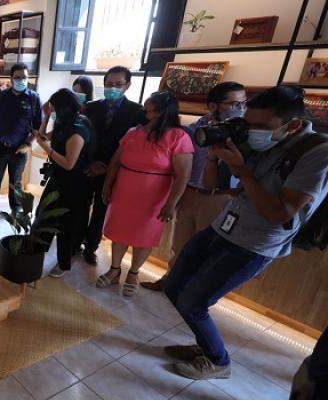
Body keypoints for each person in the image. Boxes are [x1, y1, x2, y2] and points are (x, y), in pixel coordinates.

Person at [163, 85, 328, 380]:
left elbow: (280, 213)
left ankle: (218, 361)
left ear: (292, 125)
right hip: (223, 225)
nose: (252, 131)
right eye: (248, 123)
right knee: (174, 285)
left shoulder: (317, 153)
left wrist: (242, 170)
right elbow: (213, 186)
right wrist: (214, 156)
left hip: (254, 244)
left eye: (262, 126)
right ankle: (205, 344)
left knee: (194, 302)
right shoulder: (257, 138)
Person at [142, 82, 246, 291]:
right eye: (234, 104)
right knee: (180, 244)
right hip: (190, 192)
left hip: (220, 197)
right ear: (214, 106)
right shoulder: (191, 131)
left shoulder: (244, 133)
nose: (241, 108)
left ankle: (191, 292)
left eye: (243, 103)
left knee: (208, 248)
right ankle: (170, 281)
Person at [97, 91, 193, 297]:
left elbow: (183, 175)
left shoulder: (179, 136)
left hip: (155, 195)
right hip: (124, 190)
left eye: (150, 104)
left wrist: (171, 203)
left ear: (162, 109)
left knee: (145, 236)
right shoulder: (133, 132)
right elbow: (115, 161)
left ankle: (133, 273)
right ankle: (114, 270)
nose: (145, 107)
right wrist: (108, 184)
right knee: (119, 231)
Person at [79, 66, 145, 265]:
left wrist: (110, 167)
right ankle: (74, 243)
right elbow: (81, 137)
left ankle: (90, 247)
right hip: (87, 166)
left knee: (101, 212)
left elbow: (136, 146)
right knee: (80, 207)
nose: (112, 88)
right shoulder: (90, 107)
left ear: (127, 85)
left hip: (113, 171)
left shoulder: (137, 112)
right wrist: (90, 162)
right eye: (109, 84)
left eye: (118, 84)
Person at [33, 89, 94, 278]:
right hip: (57, 179)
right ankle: (35, 253)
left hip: (74, 184)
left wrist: (46, 149)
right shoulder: (63, 123)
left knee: (67, 225)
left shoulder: (78, 128)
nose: (52, 111)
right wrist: (46, 117)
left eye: (54, 108)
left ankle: (63, 263)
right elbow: (43, 137)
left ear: (63, 108)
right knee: (43, 215)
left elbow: (69, 164)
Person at [0, 62, 42, 221]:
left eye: (24, 77)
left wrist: (28, 144)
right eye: (17, 77)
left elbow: (38, 127)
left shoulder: (34, 99)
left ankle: (16, 209)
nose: (21, 80)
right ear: (11, 78)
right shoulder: (1, 96)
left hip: (19, 149)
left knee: (16, 182)